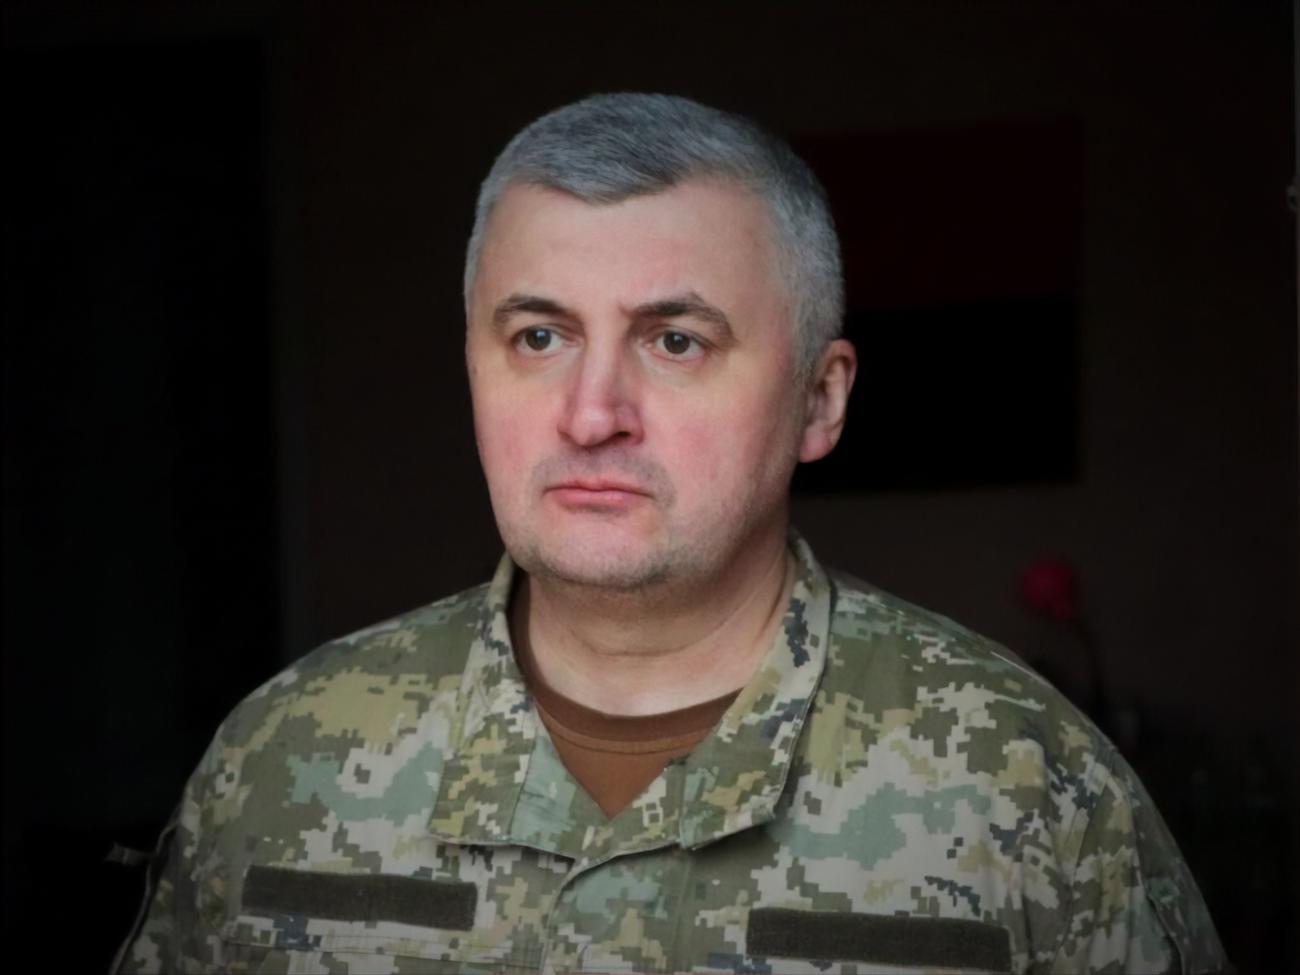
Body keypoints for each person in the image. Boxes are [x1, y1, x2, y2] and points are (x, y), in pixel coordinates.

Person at [114, 93, 1227, 974]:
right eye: (539, 336)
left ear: (820, 400)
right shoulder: (282, 758)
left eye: (675, 341)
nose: (592, 413)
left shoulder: (1027, 786)